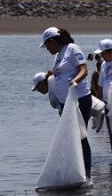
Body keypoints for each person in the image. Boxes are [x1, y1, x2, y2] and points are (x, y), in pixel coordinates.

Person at [39, 27, 93, 179]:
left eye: (47, 45)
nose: (47, 49)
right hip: (65, 103)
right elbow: (62, 71)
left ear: (53, 41)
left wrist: (75, 82)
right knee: (69, 137)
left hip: (79, 99)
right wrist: (51, 73)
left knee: (80, 136)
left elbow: (83, 69)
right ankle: (74, 170)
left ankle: (86, 174)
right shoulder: (59, 54)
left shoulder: (72, 48)